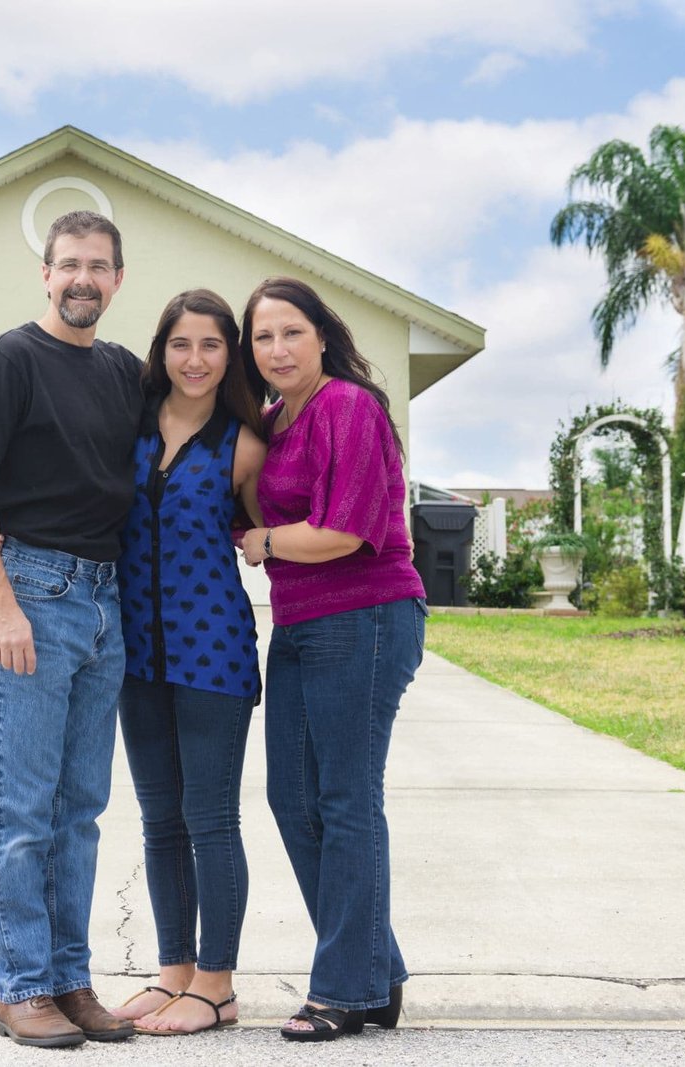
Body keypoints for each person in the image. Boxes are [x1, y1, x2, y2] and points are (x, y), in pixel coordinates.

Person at [0, 211, 143, 1048]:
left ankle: (67, 977)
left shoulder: (125, 373)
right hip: (31, 589)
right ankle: (19, 984)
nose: (82, 279)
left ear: (118, 279)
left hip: (104, 600)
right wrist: (0, 602)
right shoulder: (8, 360)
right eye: (68, 265)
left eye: (98, 266)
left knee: (80, 809)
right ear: (45, 274)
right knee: (20, 808)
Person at [237, 276, 426, 1042]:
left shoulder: (348, 405)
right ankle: (378, 974)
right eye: (262, 337)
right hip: (302, 622)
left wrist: (266, 541)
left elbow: (344, 531)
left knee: (346, 798)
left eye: (290, 332)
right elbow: (259, 502)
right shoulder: (278, 418)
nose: (276, 348)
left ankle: (343, 990)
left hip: (368, 614)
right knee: (294, 797)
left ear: (322, 334)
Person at [110, 289, 267, 1035]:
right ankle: (174, 971)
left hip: (215, 655)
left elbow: (277, 524)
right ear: (161, 350)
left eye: (211, 344)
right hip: (135, 652)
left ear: (229, 354)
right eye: (181, 343)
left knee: (210, 817)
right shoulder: (129, 426)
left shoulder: (244, 443)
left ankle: (217, 982)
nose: (195, 359)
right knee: (158, 818)